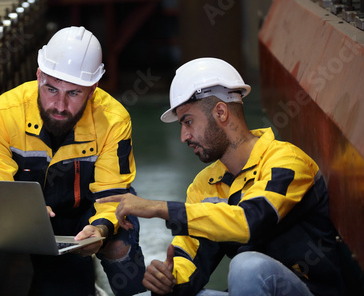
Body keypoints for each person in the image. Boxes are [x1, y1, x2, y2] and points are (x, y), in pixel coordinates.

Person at [98, 57, 346, 295]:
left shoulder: (287, 162)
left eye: (188, 122)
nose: (183, 136)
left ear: (221, 112)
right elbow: (190, 255)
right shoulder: (205, 185)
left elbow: (249, 222)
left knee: (247, 266)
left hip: (308, 290)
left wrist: (159, 208)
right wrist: (169, 279)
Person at [0, 26, 146, 296]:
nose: (60, 105)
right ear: (39, 75)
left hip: (84, 215)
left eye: (74, 93)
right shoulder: (1, 114)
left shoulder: (113, 119)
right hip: (23, 219)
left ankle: (138, 292)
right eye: (51, 89)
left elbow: (113, 196)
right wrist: (23, 215)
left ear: (93, 89)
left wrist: (99, 231)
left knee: (118, 242)